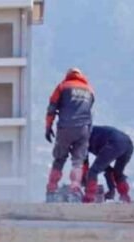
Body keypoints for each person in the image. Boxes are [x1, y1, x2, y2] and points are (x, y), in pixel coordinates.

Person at [44, 68, 95, 199]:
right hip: (83, 129)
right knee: (78, 161)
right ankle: (75, 189)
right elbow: (89, 109)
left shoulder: (63, 87)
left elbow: (52, 108)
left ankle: (51, 189)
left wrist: (48, 127)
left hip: (65, 128)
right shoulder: (89, 90)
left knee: (59, 159)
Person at [84, 126, 134, 204]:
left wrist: (84, 179)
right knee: (118, 173)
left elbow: (84, 165)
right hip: (128, 144)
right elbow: (108, 170)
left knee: (93, 171)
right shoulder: (91, 136)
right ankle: (125, 197)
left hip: (114, 141)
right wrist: (111, 190)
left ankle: (89, 199)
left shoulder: (81, 140)